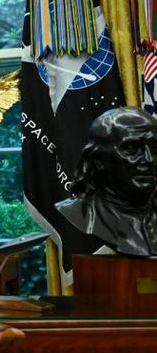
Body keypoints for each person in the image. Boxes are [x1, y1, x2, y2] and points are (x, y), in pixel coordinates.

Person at [56, 107, 157, 257]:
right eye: (131, 149)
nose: (149, 159)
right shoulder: (80, 214)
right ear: (98, 159)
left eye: (154, 147)